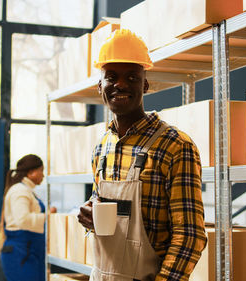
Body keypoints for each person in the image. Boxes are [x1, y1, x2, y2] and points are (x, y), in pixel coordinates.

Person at [77, 29, 207, 281]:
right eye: (111, 77)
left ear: (145, 85)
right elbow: (105, 211)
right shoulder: (102, 147)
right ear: (99, 86)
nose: (121, 84)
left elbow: (190, 236)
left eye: (132, 77)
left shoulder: (175, 146)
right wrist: (90, 215)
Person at [0, 154, 56, 281]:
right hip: (21, 253)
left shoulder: (26, 190)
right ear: (31, 172)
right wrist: (48, 217)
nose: (43, 175)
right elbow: (22, 220)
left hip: (28, 251)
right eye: (41, 171)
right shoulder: (19, 191)